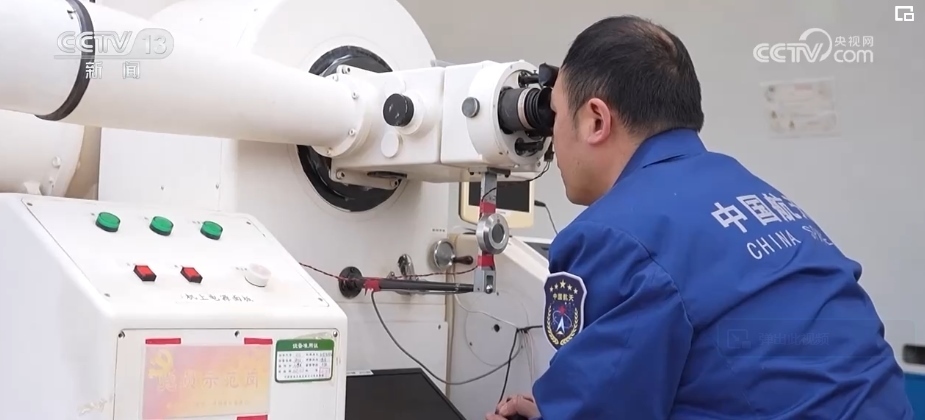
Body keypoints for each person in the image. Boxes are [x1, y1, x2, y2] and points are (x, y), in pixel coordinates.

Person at [488, 15, 913, 420]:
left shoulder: (614, 235)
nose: (551, 136)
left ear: (596, 119)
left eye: (556, 114)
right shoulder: (746, 186)